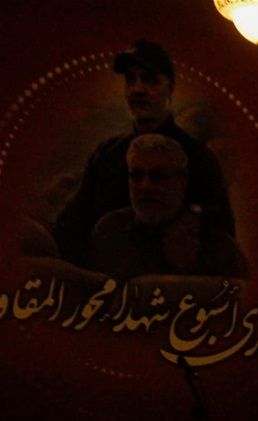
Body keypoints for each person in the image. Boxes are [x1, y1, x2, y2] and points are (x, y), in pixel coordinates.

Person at [54, 38, 232, 268]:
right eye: (131, 79)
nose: (137, 89)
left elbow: (224, 233)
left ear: (170, 88)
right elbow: (71, 224)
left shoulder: (199, 158)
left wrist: (193, 219)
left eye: (150, 80)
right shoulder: (106, 155)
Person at [88, 134, 247, 280]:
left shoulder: (218, 247)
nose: (145, 186)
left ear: (182, 182)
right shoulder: (110, 231)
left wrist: (189, 268)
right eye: (136, 176)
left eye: (158, 176)